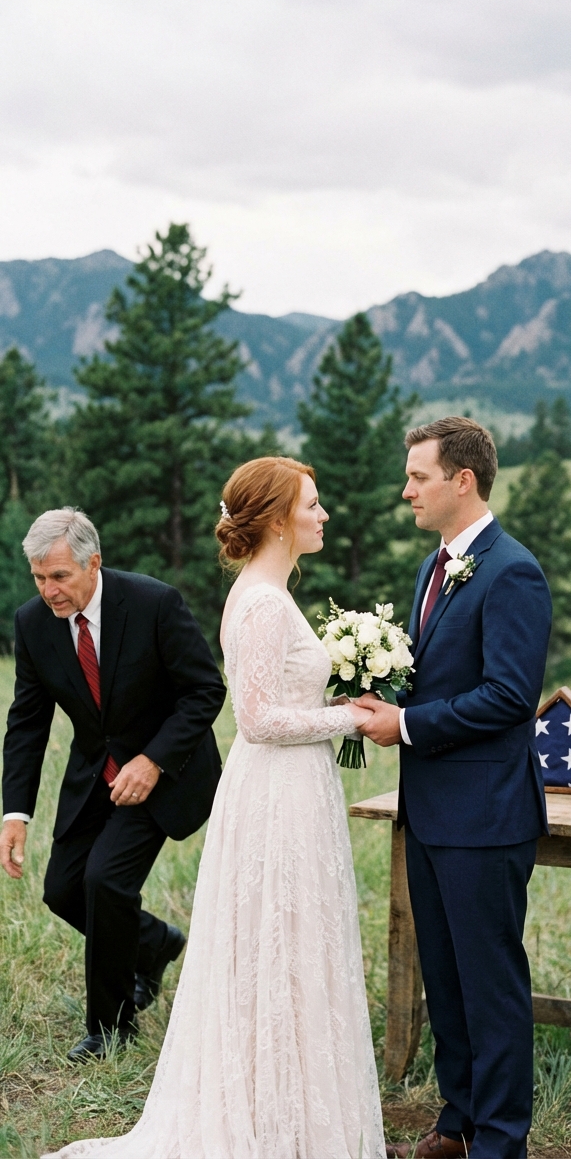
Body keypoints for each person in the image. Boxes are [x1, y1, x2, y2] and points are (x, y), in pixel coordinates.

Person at [39, 457, 387, 1159]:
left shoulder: (268, 592)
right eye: (313, 505)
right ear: (280, 518)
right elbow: (257, 719)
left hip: (298, 787)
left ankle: (289, 1099)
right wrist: (349, 718)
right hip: (276, 792)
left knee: (291, 942)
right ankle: (265, 1111)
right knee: (276, 939)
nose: (323, 516)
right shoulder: (260, 601)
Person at [357, 417, 552, 1159]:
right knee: (444, 975)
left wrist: (404, 724)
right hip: (430, 813)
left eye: (418, 477)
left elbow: (508, 697)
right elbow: (435, 673)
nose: (406, 489)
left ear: (461, 481)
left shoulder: (512, 571)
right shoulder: (433, 567)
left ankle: (502, 1140)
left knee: (489, 984)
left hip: (486, 816)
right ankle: (459, 1118)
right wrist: (364, 688)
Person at [1, 507, 226, 1061]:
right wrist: (14, 814)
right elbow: (28, 724)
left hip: (163, 773)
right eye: (39, 577)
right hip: (94, 777)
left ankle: (110, 1026)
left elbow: (204, 691)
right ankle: (154, 945)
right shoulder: (33, 624)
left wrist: (152, 761)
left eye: (59, 576)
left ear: (93, 563)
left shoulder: (153, 603)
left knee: (105, 881)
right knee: (61, 890)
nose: (48, 590)